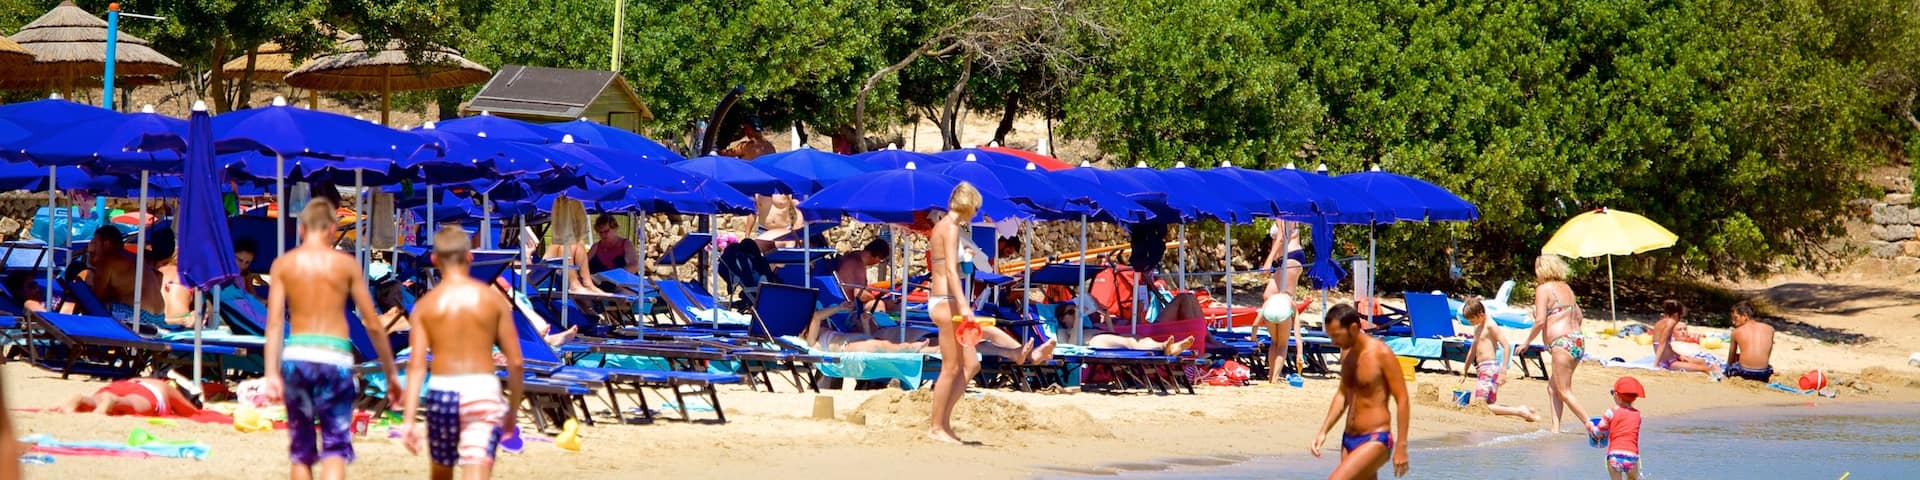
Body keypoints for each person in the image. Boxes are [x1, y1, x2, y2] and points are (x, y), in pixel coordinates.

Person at [262, 198, 402, 480]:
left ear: (302, 229)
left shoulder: (283, 264)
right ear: (332, 229)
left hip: (297, 357)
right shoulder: (345, 265)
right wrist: (390, 371)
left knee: (301, 451)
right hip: (333, 357)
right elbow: (373, 324)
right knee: (334, 449)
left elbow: (275, 323)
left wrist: (270, 374)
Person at [401, 227, 524, 480]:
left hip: (443, 391)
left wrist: (409, 419)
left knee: (441, 471)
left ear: (435, 259)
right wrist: (511, 411)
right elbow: (516, 362)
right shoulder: (492, 301)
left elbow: (416, 366)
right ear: (470, 257)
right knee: (477, 464)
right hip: (482, 390)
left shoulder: (426, 306)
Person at [1311, 303, 1410, 479]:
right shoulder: (1348, 357)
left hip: (1375, 438)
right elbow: (1342, 396)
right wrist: (1323, 431)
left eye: (1336, 335)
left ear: (1354, 328)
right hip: (1349, 439)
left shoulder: (1381, 354)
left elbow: (1402, 399)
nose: (1333, 342)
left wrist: (1401, 446)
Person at [926, 183, 984, 445]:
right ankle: (936, 426)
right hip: (946, 301)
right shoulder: (949, 228)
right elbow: (950, 271)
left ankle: (944, 424)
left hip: (946, 300)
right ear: (969, 204)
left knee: (971, 365)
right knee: (950, 367)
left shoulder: (945, 226)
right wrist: (963, 305)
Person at [1522, 254, 1596, 435]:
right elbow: (1578, 315)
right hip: (1577, 340)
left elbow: (1539, 321)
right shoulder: (1567, 288)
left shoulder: (1543, 289)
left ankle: (1592, 425)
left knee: (1564, 390)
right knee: (1553, 388)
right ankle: (1555, 430)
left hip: (1561, 342)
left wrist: (1526, 342)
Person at [1461, 297, 1538, 422]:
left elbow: (1506, 346)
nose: (1471, 323)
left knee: (1481, 406)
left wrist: (1503, 371)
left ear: (1481, 313)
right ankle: (1525, 409)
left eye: (1473, 320)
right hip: (1482, 369)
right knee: (1488, 405)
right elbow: (1473, 350)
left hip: (1490, 368)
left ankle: (1519, 411)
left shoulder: (1490, 325)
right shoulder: (1478, 327)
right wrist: (1465, 370)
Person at [82, 226, 166, 328]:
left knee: (95, 306)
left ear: (106, 244)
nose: (91, 247)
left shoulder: (108, 259)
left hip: (136, 315)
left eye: (94, 243)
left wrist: (91, 260)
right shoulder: (134, 258)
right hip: (158, 318)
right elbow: (158, 276)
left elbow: (96, 298)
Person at [1056, 303, 1193, 355]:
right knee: (1129, 342)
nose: (1075, 314)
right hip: (1092, 342)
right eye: (1071, 312)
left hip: (1103, 337)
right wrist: (1078, 320)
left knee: (1138, 337)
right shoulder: (1062, 331)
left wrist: (1108, 317)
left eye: (1076, 312)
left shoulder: (1090, 326)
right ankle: (1164, 347)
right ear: (1062, 319)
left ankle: (1166, 347)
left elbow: (1112, 334)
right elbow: (1070, 348)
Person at [52, 377, 202, 418]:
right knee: (132, 403)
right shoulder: (165, 388)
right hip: (146, 392)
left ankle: (82, 399)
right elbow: (191, 411)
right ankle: (115, 401)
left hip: (122, 384)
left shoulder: (142, 379)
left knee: (95, 401)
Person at [1595, 376, 1646, 480]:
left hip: (1614, 455)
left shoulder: (1610, 412)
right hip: (1632, 456)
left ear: (1616, 395)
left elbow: (1599, 431)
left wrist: (1592, 428)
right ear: (1635, 398)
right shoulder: (1638, 415)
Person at [1650, 300, 1717, 375]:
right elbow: (1662, 343)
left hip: (1672, 358)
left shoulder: (1660, 323)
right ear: (1676, 314)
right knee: (1704, 368)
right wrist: (1656, 365)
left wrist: (1679, 356)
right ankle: (1716, 380)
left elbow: (1665, 346)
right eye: (1680, 316)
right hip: (1669, 363)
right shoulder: (1671, 322)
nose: (1680, 319)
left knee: (1701, 361)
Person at [1724, 301, 1776, 382]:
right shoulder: (1770, 329)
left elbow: (1730, 359)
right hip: (1763, 373)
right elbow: (1767, 355)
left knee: (1735, 361)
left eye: (1735, 318)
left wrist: (1727, 371)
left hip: (1744, 372)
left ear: (1745, 316)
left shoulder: (1736, 332)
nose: (1733, 322)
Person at [1263, 219, 1305, 301]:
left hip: (1291, 257)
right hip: (1283, 259)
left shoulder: (1283, 213)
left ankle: (1292, 313)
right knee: (1268, 296)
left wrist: (1269, 261)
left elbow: (1281, 237)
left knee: (1287, 298)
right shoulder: (1281, 213)